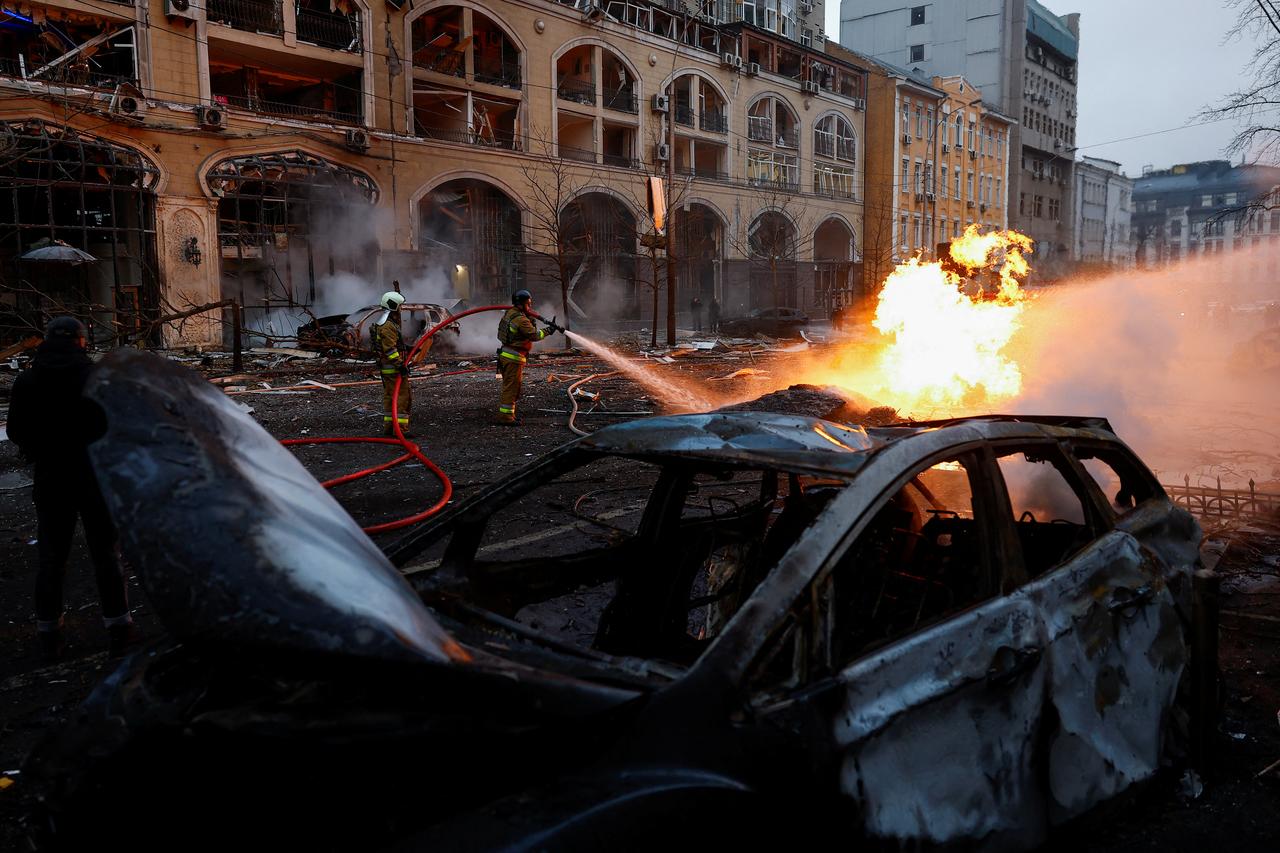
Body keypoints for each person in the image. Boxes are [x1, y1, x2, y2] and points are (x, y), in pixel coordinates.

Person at [7, 316, 139, 659]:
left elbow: (17, 432)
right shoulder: (97, 378)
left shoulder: (27, 380)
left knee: (52, 557)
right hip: (94, 478)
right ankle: (119, 630)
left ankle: (49, 633)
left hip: (51, 479)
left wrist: (42, 452)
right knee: (106, 555)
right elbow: (116, 425)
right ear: (81, 341)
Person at [495, 290, 559, 424]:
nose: (529, 306)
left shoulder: (511, 313)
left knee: (510, 387)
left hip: (506, 355)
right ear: (521, 304)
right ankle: (506, 418)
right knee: (512, 388)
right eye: (528, 304)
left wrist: (530, 317)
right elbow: (534, 335)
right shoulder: (520, 319)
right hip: (513, 357)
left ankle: (508, 416)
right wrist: (549, 330)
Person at [371, 291, 413, 436]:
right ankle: (400, 430)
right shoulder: (388, 325)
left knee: (390, 398)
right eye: (400, 306)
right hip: (393, 369)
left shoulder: (383, 322)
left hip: (387, 368)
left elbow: (389, 345)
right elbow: (389, 350)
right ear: (394, 305)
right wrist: (400, 365)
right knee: (402, 397)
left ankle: (389, 427)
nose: (401, 309)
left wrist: (407, 348)